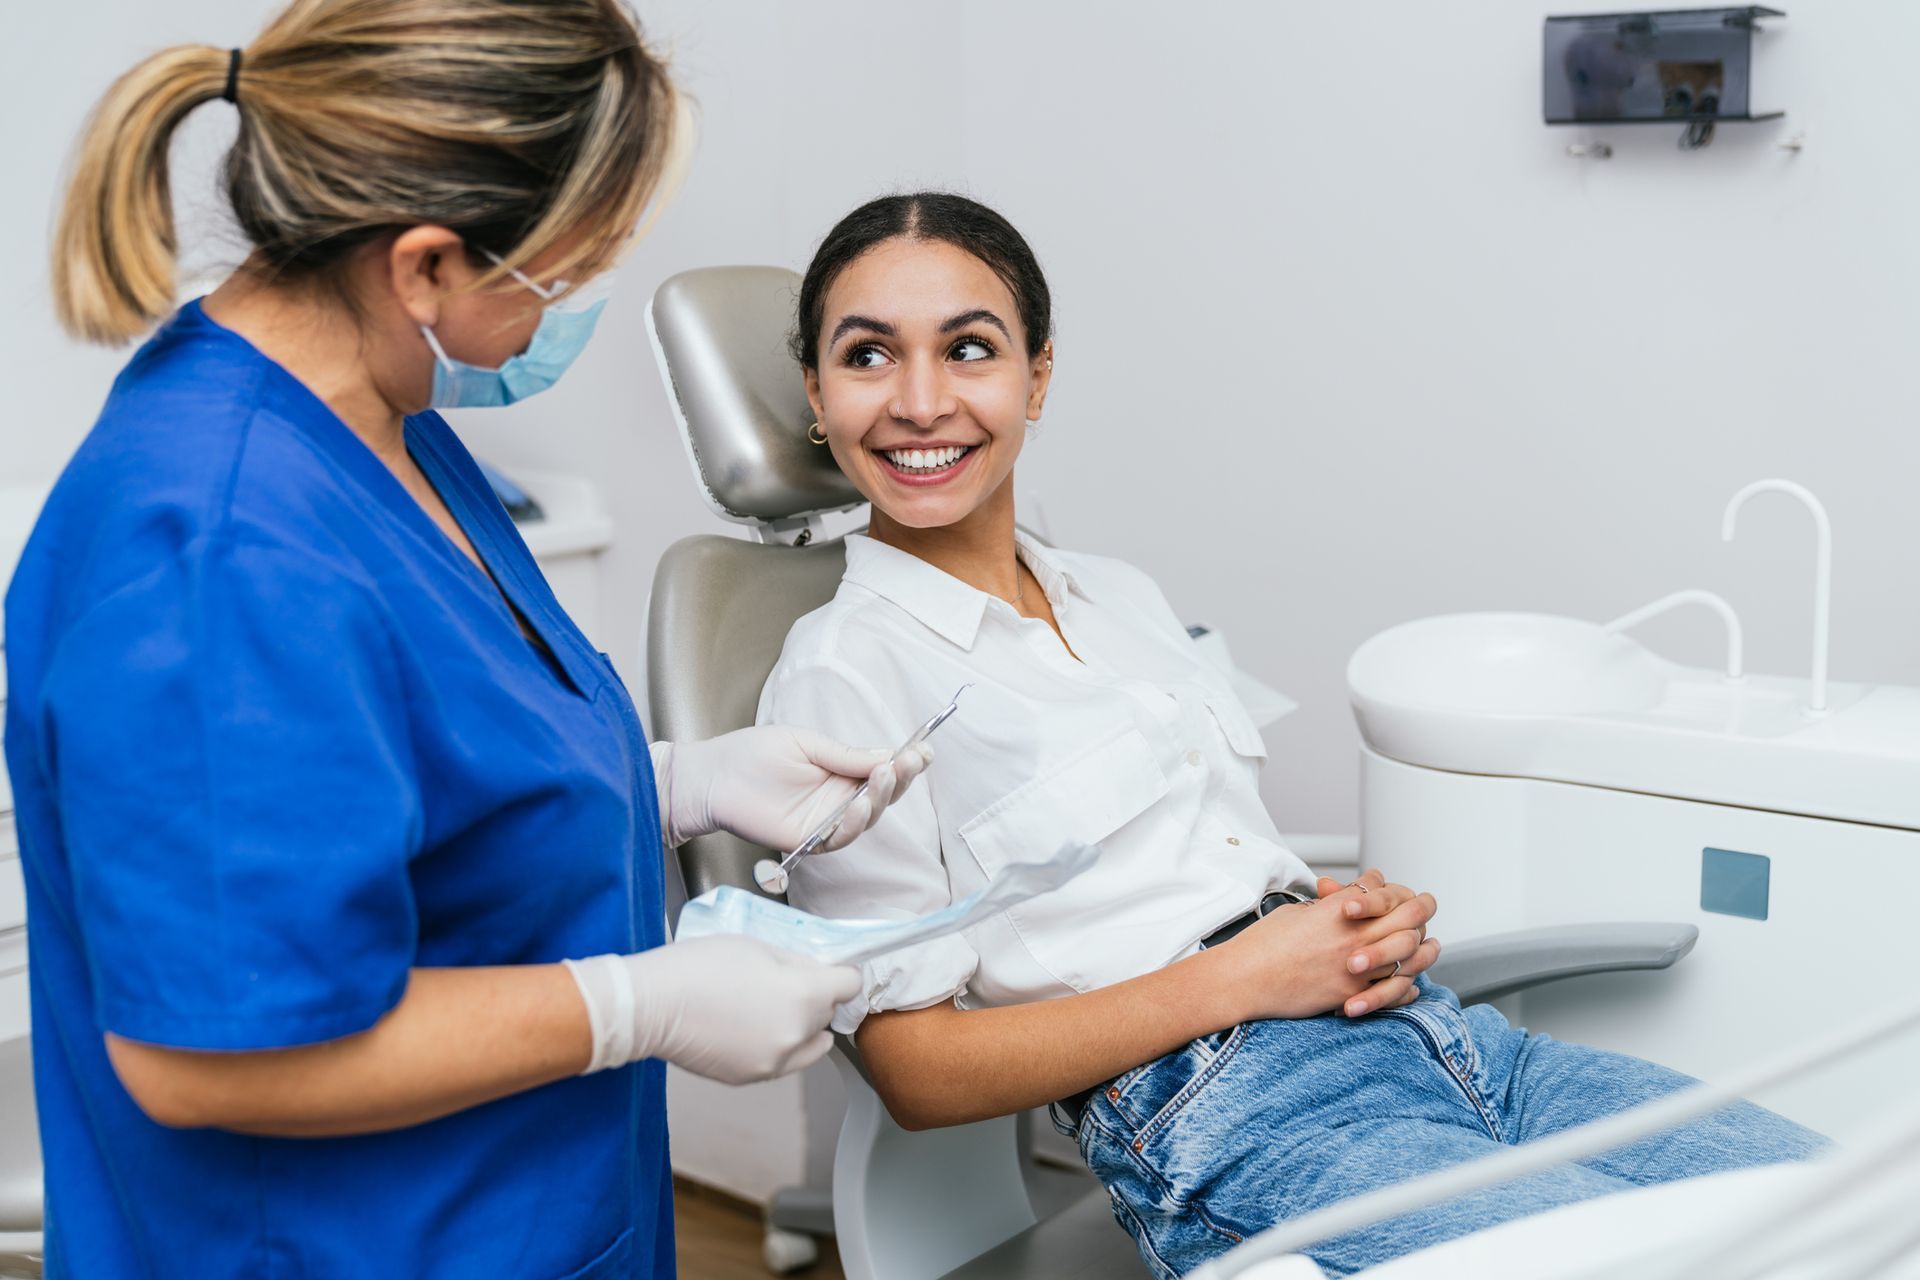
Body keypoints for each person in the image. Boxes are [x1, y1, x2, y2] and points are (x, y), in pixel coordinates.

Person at [4, 4, 929, 1276]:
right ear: (427, 264)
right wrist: (639, 1001)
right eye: (568, 266)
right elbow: (210, 1048)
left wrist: (678, 781)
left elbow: (405, 777)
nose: (577, 299)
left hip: (530, 1210)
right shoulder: (216, 550)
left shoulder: (387, 420)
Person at [758, 191, 1825, 1279]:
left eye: (970, 349)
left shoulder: (1115, 593)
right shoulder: (844, 669)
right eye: (870, 356)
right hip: (1230, 1111)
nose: (921, 400)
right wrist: (1249, 977)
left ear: (1036, 377)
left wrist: (1346, 924)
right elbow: (916, 1069)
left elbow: (1196, 868)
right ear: (817, 390)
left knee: (1836, 1214)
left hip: (1451, 1042)